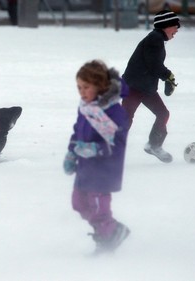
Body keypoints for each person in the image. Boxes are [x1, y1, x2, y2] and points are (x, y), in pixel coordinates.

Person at [63, 60, 130, 255]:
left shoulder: (113, 111)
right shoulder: (85, 106)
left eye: (86, 87)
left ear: (100, 86)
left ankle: (107, 238)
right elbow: (78, 131)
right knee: (79, 203)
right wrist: (71, 152)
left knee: (100, 208)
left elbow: (118, 144)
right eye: (79, 87)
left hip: (104, 169)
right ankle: (112, 229)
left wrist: (96, 149)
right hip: (85, 167)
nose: (81, 92)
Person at [122, 10, 180, 163]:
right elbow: (153, 64)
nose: (177, 30)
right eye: (175, 26)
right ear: (165, 26)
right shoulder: (154, 39)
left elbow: (153, 65)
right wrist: (168, 76)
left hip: (145, 87)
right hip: (134, 87)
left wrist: (167, 77)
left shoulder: (157, 39)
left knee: (163, 114)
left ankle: (154, 145)